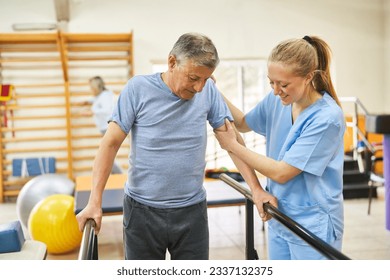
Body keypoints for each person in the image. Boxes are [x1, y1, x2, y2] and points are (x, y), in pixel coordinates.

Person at [76, 32, 276, 260]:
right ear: (172, 62)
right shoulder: (137, 89)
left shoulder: (208, 90)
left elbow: (232, 142)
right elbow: (109, 144)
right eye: (193, 78)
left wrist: (257, 190)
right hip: (142, 212)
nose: (200, 87)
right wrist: (95, 202)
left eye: (205, 79)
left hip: (192, 211)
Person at [214, 35, 346, 260]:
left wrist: (232, 146)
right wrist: (213, 88)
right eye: (271, 82)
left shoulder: (327, 118)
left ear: (308, 77)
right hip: (279, 214)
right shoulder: (278, 100)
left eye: (284, 84)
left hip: (313, 223)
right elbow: (244, 123)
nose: (276, 90)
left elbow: (282, 172)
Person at [83, 76, 123, 174]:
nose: (91, 90)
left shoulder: (105, 96)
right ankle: (117, 175)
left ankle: (119, 175)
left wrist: (92, 111)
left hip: (108, 128)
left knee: (105, 156)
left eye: (92, 88)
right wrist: (87, 102)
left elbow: (107, 110)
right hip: (105, 129)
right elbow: (96, 100)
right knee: (106, 155)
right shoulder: (102, 95)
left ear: (97, 87)